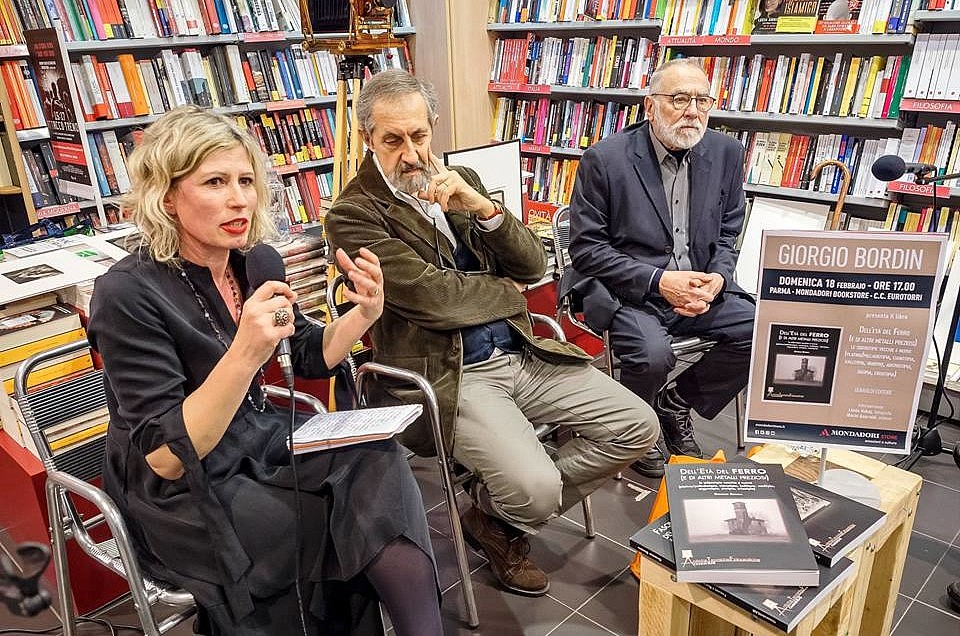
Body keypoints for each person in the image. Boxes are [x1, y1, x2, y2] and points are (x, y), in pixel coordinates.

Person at [86, 106, 442, 636]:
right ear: (166, 197)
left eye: (246, 181)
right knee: (327, 524)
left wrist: (362, 315)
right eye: (215, 182)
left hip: (256, 436)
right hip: (184, 483)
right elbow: (165, 457)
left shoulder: (251, 261)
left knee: (379, 465)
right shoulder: (127, 294)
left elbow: (306, 353)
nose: (240, 199)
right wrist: (247, 351)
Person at [325, 70, 657, 597]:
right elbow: (432, 299)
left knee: (639, 427)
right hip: (448, 374)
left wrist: (483, 210)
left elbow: (529, 265)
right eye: (392, 140)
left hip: (524, 351)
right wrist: (504, 292)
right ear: (367, 139)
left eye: (418, 135)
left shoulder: (464, 182)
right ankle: (515, 497)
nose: (410, 153)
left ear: (434, 127)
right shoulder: (352, 214)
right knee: (537, 490)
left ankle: (495, 517)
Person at [566, 58, 755, 478]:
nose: (692, 111)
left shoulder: (725, 152)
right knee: (652, 355)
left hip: (700, 287)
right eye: (679, 99)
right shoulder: (606, 159)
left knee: (760, 331)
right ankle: (639, 427)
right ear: (649, 106)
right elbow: (586, 249)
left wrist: (718, 278)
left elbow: (729, 228)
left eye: (702, 100)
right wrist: (661, 281)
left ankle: (675, 404)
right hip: (631, 291)